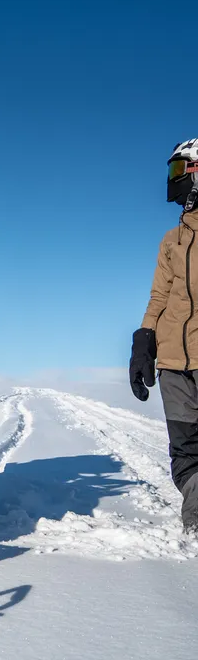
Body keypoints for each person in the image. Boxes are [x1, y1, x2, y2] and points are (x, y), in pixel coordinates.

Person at [130, 138, 198, 535]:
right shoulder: (171, 240)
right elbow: (160, 296)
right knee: (185, 456)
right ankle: (195, 528)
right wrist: (144, 343)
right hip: (173, 364)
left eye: (179, 169)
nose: (173, 180)